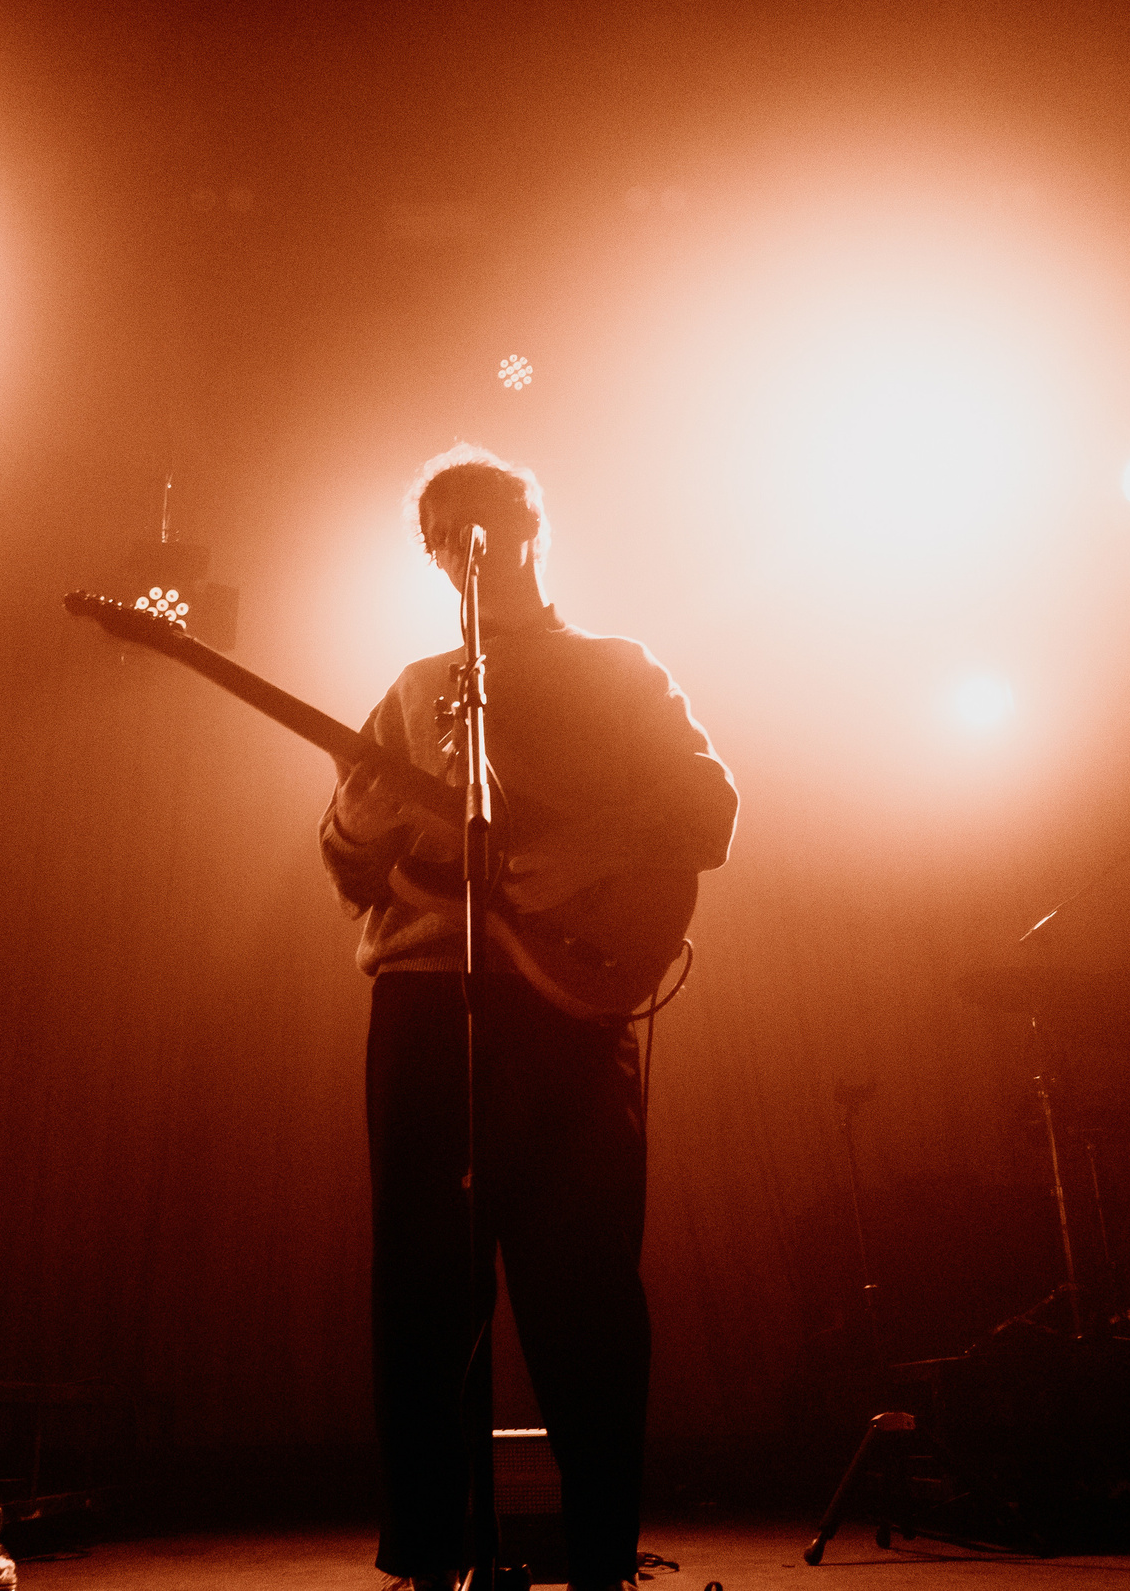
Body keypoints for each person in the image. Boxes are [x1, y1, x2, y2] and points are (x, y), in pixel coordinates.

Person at [320, 446, 738, 1591]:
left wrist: (596, 849)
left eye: (481, 520)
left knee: (586, 1285)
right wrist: (357, 826)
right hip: (420, 999)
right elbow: (346, 859)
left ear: (527, 526)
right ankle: (430, 1553)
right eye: (441, 529)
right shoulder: (411, 689)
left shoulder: (614, 668)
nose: (464, 543)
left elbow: (710, 804)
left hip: (568, 1007)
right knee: (420, 1284)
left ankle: (602, 1552)